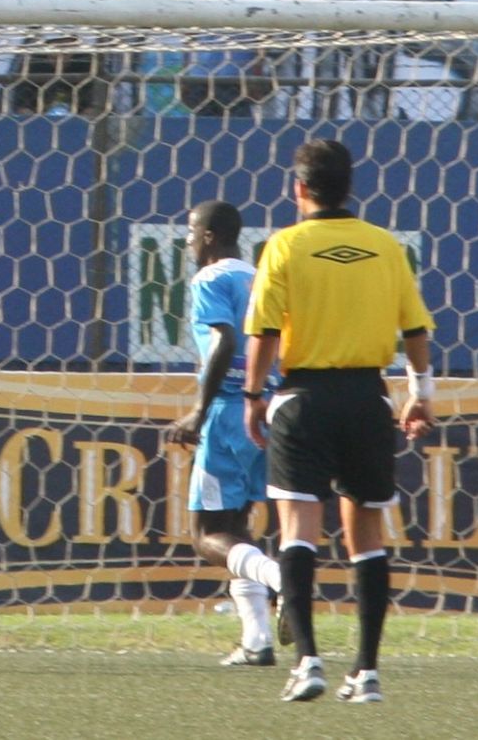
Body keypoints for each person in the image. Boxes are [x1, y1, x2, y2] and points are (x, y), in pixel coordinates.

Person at [241, 138, 436, 704]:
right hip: (368, 401)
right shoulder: (384, 246)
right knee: (367, 537)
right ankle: (368, 672)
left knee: (298, 529)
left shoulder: (284, 246)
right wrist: (420, 395)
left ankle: (307, 662)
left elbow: (265, 333)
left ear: (298, 188)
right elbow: (416, 331)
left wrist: (254, 396)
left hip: (304, 399)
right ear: (350, 188)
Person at [163, 200, 283, 668]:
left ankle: (281, 578)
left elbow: (225, 342)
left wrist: (199, 410)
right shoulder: (257, 278)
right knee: (237, 530)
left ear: (210, 236)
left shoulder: (209, 279)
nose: (188, 240)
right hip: (264, 411)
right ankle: (256, 639)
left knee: (206, 534)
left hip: (230, 414)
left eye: (192, 231)